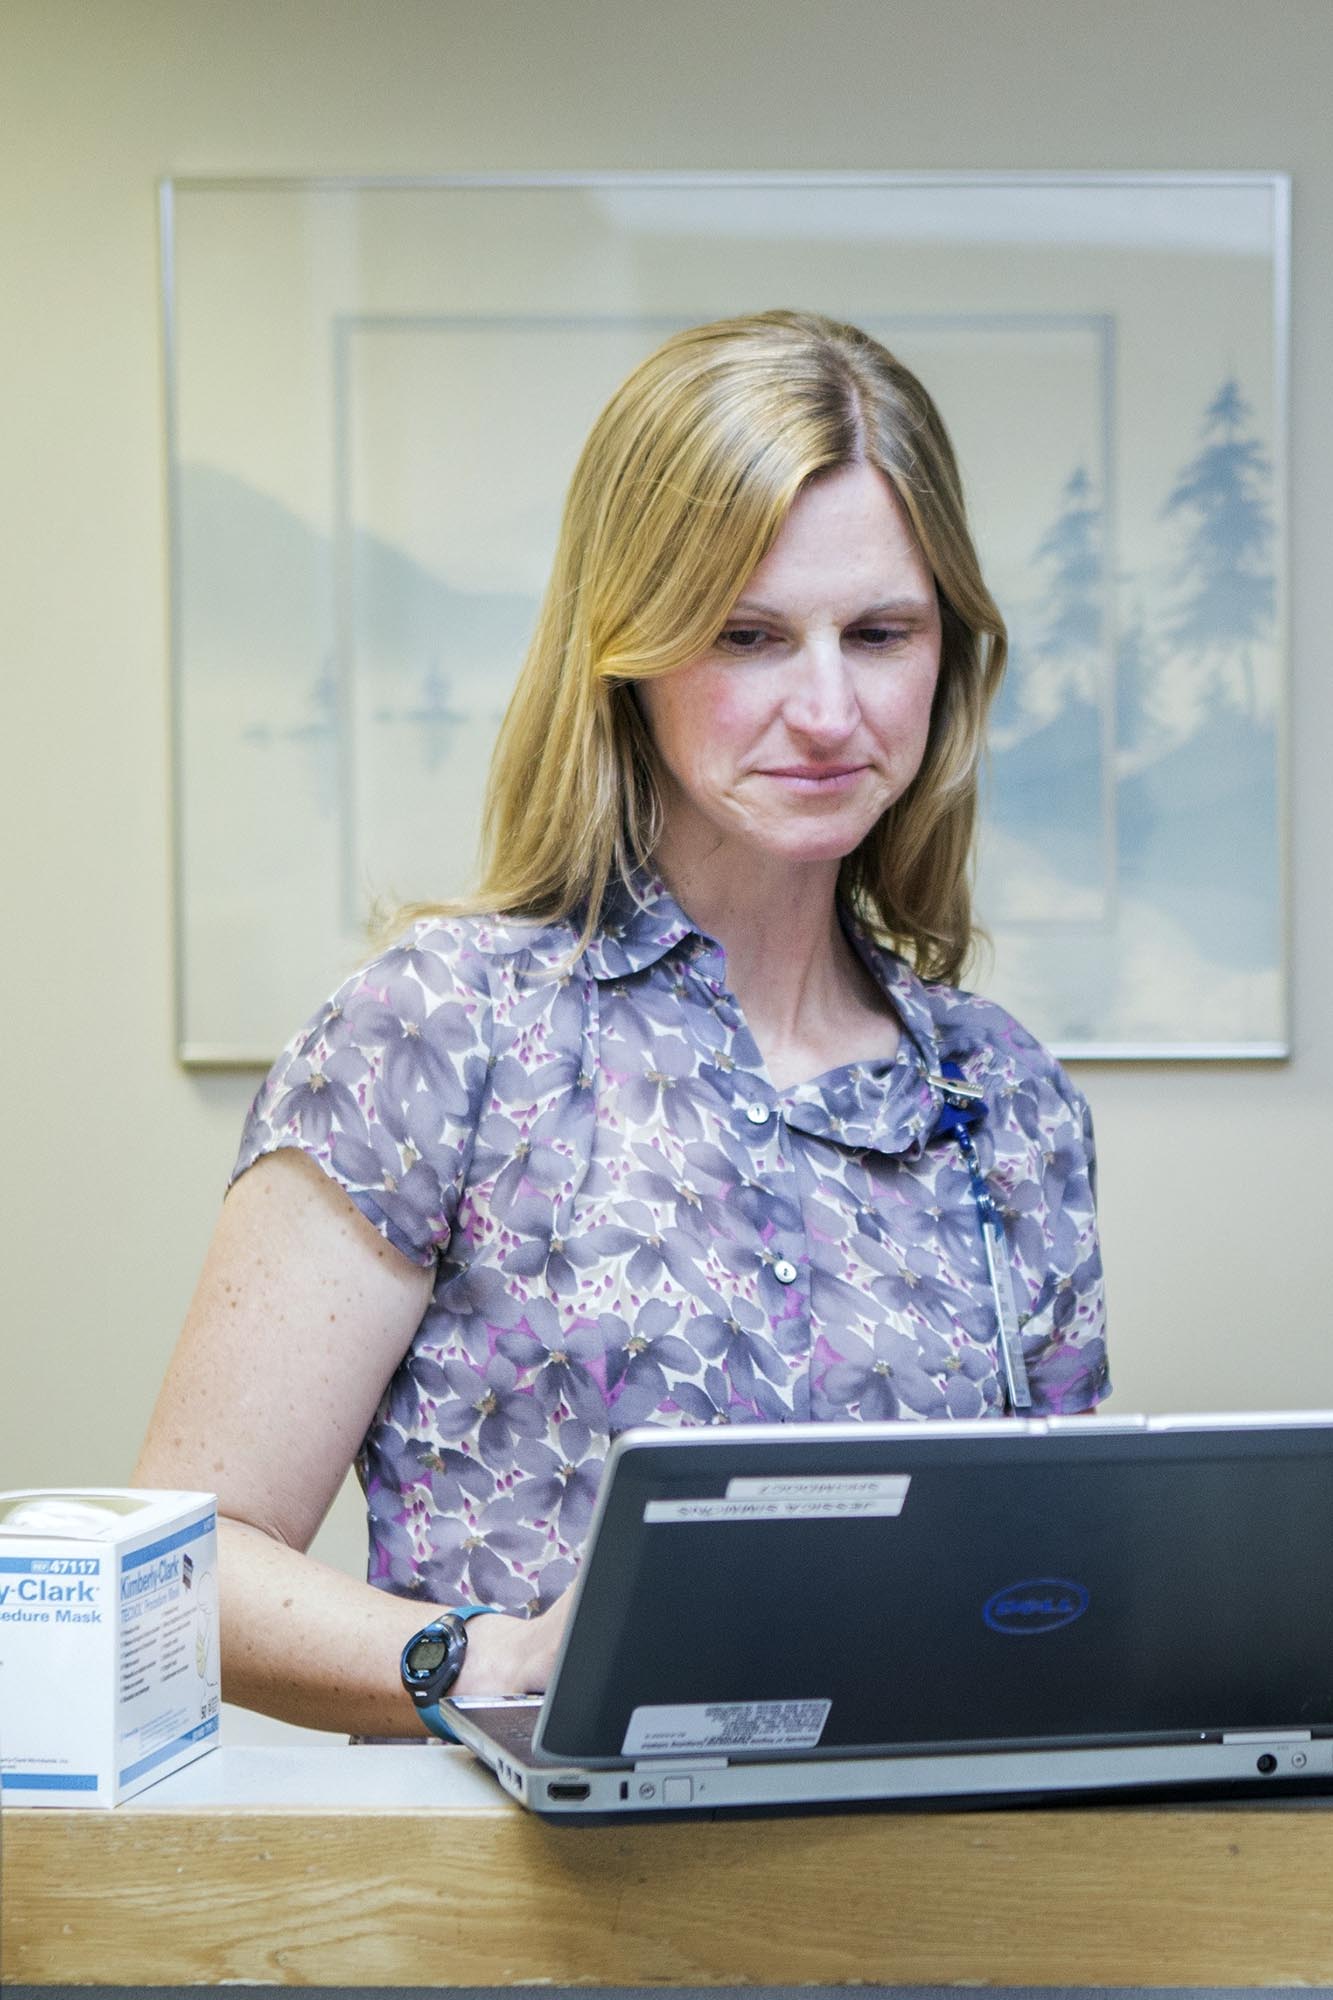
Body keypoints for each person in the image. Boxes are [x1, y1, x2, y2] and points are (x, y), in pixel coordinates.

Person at [135, 310, 1108, 1738]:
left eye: (881, 633)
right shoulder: (442, 1030)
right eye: (748, 634)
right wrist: (496, 1662)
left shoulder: (1002, 1099)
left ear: (945, 657)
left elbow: (1051, 1579)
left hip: (932, 1921)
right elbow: (185, 1571)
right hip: (530, 1923)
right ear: (629, 650)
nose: (828, 707)